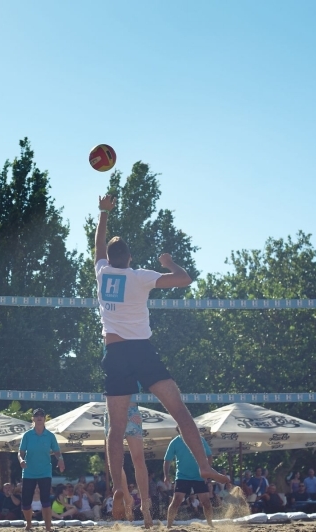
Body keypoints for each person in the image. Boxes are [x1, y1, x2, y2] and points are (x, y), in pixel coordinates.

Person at [93, 194, 228, 519]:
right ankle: (204, 466)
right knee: (180, 411)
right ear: (130, 258)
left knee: (116, 429)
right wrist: (169, 263)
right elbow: (185, 279)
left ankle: (118, 488)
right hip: (142, 351)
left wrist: (103, 212)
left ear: (110, 259)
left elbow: (97, 246)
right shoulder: (140, 276)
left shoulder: (101, 273)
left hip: (115, 352)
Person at [104, 402, 153, 525]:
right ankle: (129, 500)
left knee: (137, 460)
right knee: (119, 462)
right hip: (113, 411)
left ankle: (142, 505)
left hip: (128, 410)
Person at [19, 408, 64, 531]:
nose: (39, 417)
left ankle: (48, 527)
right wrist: (21, 460)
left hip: (45, 472)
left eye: (41, 415)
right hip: (28, 472)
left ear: (44, 419)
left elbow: (57, 451)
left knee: (45, 501)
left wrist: (60, 459)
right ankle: (28, 524)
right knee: (26, 502)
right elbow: (20, 452)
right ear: (33, 419)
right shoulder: (27, 435)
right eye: (36, 415)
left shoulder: (50, 436)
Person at [163, 429, 215, 527]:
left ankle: (210, 524)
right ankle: (169, 525)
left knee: (206, 501)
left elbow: (209, 455)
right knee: (176, 500)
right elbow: (167, 460)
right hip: (182, 476)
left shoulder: (199, 439)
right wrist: (166, 475)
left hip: (199, 476)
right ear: (179, 430)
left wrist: (206, 472)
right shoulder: (175, 442)